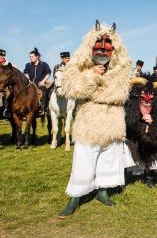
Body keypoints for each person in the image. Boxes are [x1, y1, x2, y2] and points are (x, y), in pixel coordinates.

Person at [58, 20, 132, 218]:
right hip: (89, 119)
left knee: (109, 158)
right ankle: (75, 197)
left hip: (113, 119)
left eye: (108, 46)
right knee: (84, 158)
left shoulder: (123, 67)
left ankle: (102, 191)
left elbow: (120, 93)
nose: (103, 50)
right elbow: (72, 90)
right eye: (98, 45)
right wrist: (91, 75)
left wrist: (99, 86)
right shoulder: (79, 66)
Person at [23, 48, 52, 115]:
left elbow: (48, 73)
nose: (30, 58)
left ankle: (43, 109)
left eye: (32, 57)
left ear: (37, 57)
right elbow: (26, 74)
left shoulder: (44, 64)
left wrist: (42, 81)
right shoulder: (28, 65)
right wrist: (29, 81)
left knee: (43, 92)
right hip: (30, 84)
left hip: (41, 84)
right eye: (30, 57)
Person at [0, 49, 12, 118]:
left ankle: (7, 109)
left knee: (8, 92)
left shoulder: (7, 63)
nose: (2, 57)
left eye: (3, 55)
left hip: (4, 84)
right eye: (1, 55)